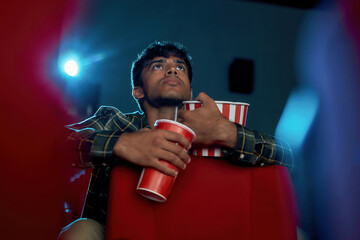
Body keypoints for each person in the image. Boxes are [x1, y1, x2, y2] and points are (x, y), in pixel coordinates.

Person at [58, 41, 294, 240]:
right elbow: (54, 145)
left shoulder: (216, 130)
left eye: (179, 67)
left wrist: (228, 134)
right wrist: (122, 144)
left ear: (190, 92)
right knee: (81, 229)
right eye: (159, 65)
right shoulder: (117, 123)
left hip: (205, 230)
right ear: (137, 91)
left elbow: (292, 159)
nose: (172, 70)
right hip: (117, 231)